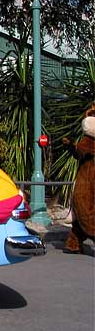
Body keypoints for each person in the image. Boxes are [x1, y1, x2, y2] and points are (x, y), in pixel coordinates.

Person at [62, 105, 95, 255]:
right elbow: (80, 151)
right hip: (87, 184)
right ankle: (74, 242)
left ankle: (73, 243)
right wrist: (71, 146)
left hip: (86, 183)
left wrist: (71, 146)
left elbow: (77, 151)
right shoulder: (87, 142)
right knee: (87, 214)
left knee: (82, 218)